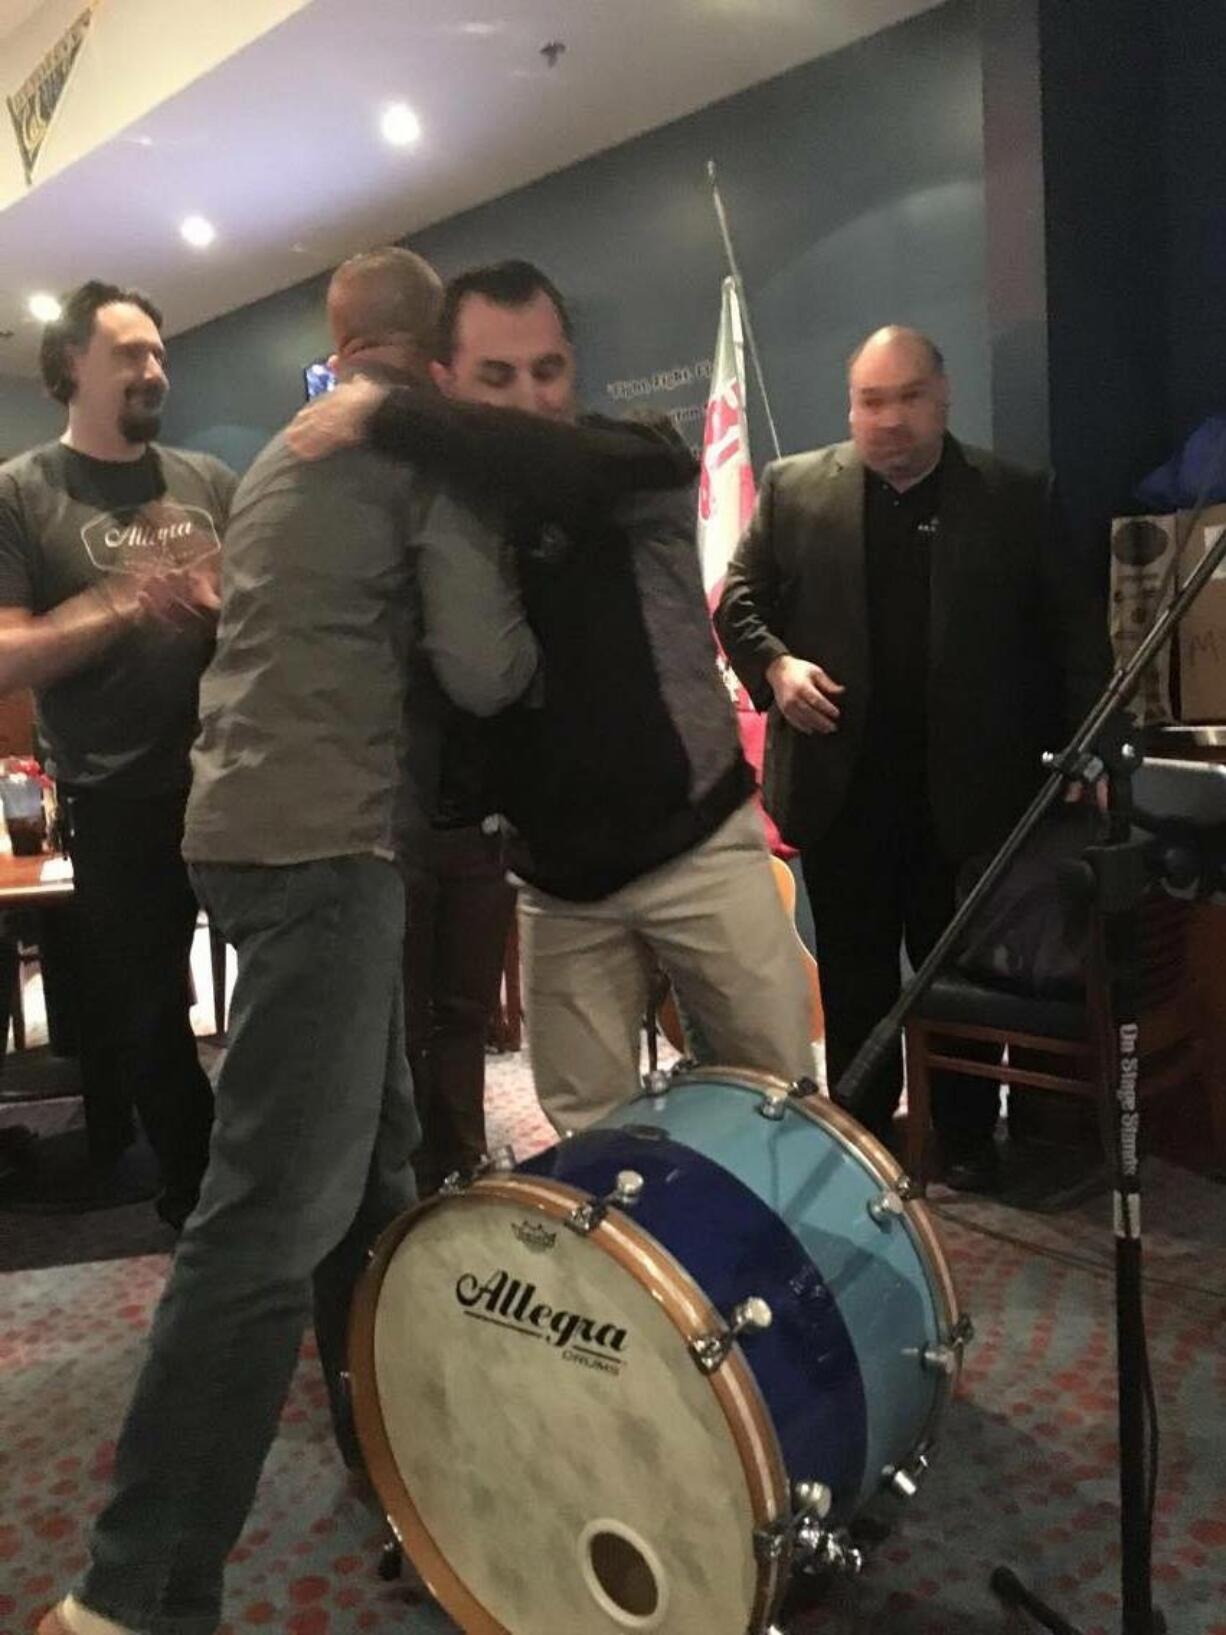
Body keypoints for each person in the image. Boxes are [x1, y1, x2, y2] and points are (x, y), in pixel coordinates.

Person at [37, 246, 539, 1635]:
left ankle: (399, 1463)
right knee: (264, 1213)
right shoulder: (411, 452)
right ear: (435, 355)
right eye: (491, 368)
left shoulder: (277, 456)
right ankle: (132, 1589)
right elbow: (485, 664)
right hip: (326, 844)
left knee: (367, 1168)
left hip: (248, 829)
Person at [288, 260, 815, 1133]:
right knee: (590, 1146)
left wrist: (387, 411)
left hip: (699, 845)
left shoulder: (633, 457)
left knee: (785, 1108)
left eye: (549, 369)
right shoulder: (450, 508)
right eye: (497, 376)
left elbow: (557, 458)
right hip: (561, 885)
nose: (532, 397)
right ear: (446, 380)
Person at [715, 325, 1110, 1188]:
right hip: (840, 788)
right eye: (870, 400)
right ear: (849, 405)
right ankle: (862, 1131)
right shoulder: (793, 489)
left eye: (908, 397)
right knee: (855, 972)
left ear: (944, 396)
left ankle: (964, 1139)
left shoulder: (1016, 496)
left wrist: (1087, 757)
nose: (888, 418)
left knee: (953, 965)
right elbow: (737, 603)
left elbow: (1078, 637)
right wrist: (775, 667)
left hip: (970, 794)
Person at [0, 281, 235, 1227]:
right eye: (129, 354)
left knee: (288, 994)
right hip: (115, 798)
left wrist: (227, 605)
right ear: (70, 369)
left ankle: (274, 1170)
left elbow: (275, 614)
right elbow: (7, 653)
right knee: (144, 1018)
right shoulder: (22, 493)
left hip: (238, 779)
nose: (153, 369)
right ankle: (197, 1187)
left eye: (159, 353)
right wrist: (119, 604)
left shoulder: (209, 481)